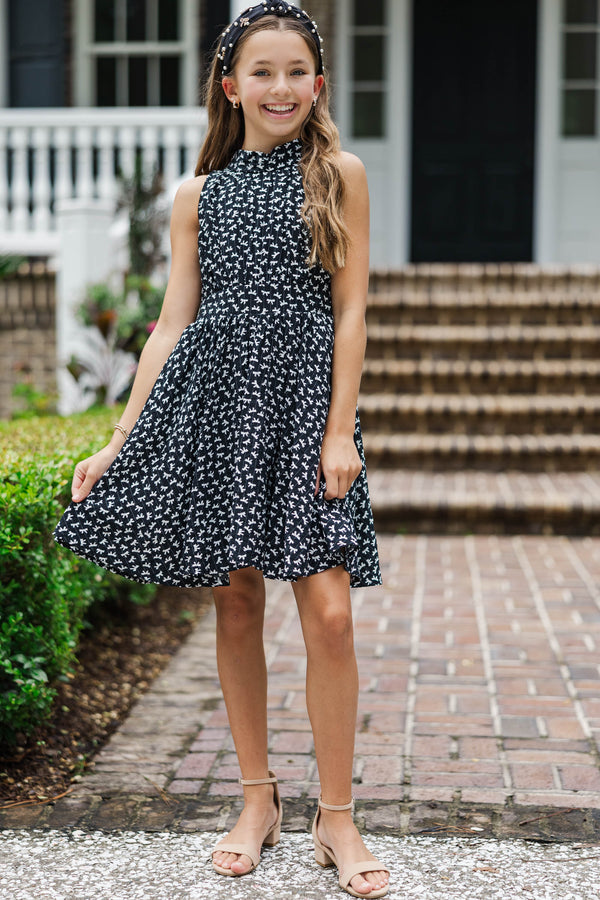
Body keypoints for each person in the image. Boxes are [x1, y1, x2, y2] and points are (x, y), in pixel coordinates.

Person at [54, 3, 389, 897]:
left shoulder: (340, 175)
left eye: (295, 72)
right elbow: (172, 323)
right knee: (236, 603)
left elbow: (352, 310)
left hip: (306, 409)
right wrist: (120, 439)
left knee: (329, 611)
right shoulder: (198, 196)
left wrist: (339, 429)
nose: (279, 87)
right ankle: (256, 800)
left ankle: (338, 814)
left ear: (317, 85)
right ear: (230, 84)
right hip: (216, 408)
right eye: (261, 71)